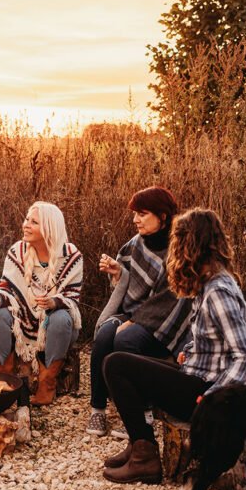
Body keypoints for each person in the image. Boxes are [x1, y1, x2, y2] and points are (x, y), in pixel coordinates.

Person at [102, 208, 246, 484]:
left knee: (116, 365)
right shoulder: (213, 282)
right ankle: (140, 446)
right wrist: (198, 351)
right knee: (125, 362)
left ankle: (145, 458)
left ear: (191, 245)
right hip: (196, 376)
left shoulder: (218, 291)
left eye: (179, 242)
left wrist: (213, 400)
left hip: (204, 394)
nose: (174, 250)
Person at [87, 187, 193, 437]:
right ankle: (97, 410)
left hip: (165, 324)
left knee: (125, 338)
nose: (135, 220)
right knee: (104, 335)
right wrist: (117, 272)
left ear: (163, 216)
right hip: (133, 313)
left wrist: (136, 321)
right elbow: (130, 278)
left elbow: (174, 298)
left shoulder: (179, 249)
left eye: (142, 214)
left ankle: (139, 413)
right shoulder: (137, 243)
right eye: (135, 213)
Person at [0, 202, 83, 405]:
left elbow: (72, 297)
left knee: (60, 318)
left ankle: (47, 382)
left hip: (57, 326)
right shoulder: (18, 251)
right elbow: (6, 288)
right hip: (22, 322)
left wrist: (52, 302)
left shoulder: (71, 255)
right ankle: (5, 378)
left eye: (34, 222)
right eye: (26, 219)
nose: (26, 225)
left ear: (49, 227)